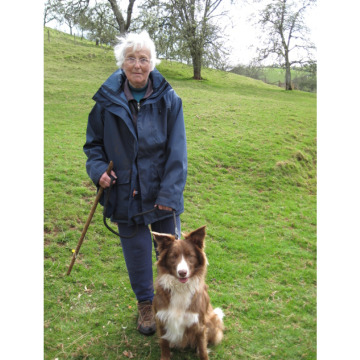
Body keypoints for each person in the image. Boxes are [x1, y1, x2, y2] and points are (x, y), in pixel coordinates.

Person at [83, 31, 187, 336]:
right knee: (137, 254)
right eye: (131, 58)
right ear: (122, 64)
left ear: (152, 63)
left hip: (161, 192)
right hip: (124, 192)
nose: (137, 65)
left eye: (144, 59)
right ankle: (145, 305)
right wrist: (99, 169)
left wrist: (169, 193)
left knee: (170, 255)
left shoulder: (170, 100)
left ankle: (173, 306)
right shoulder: (106, 102)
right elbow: (93, 146)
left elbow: (177, 152)